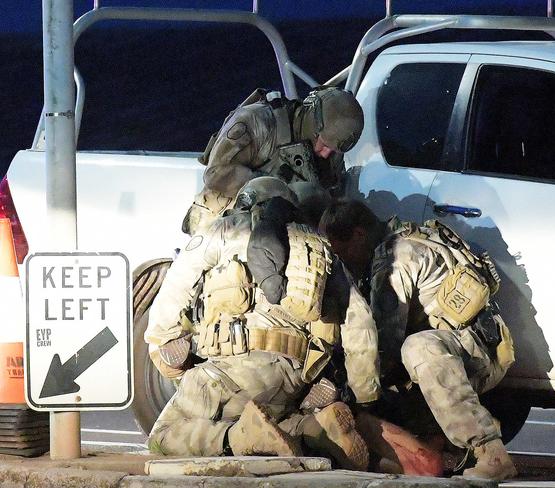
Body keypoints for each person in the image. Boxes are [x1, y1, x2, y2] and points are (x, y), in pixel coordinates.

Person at [145, 178, 380, 470]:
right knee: (274, 419)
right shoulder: (321, 250)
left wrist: (169, 358)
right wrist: (364, 397)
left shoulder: (224, 231)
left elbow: (171, 298)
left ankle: (240, 439)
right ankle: (313, 429)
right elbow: (361, 325)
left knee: (162, 437)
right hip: (295, 379)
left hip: (233, 369)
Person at [318, 199, 517, 481]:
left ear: (359, 235)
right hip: (478, 349)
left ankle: (491, 452)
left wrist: (352, 391)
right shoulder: (407, 235)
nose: (345, 262)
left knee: (415, 349)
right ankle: (441, 444)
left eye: (343, 251)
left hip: (472, 359)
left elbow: (383, 347)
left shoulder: (394, 262)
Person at [183, 86, 364, 236]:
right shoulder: (257, 122)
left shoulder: (333, 149)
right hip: (224, 219)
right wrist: (278, 189)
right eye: (323, 144)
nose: (325, 154)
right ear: (313, 123)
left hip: (278, 226)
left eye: (333, 150)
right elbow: (216, 174)